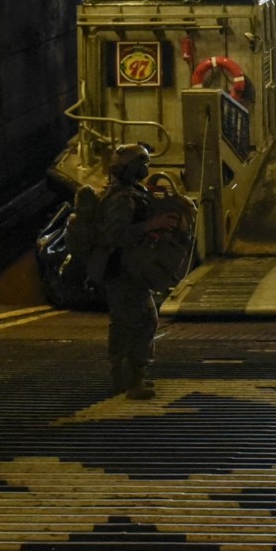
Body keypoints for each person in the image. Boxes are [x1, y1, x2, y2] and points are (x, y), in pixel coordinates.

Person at [99, 144, 161, 400]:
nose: (145, 168)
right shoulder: (121, 199)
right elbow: (115, 235)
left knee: (134, 321)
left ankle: (127, 378)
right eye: (142, 163)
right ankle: (131, 381)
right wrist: (149, 225)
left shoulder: (130, 192)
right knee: (137, 322)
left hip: (130, 269)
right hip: (124, 272)